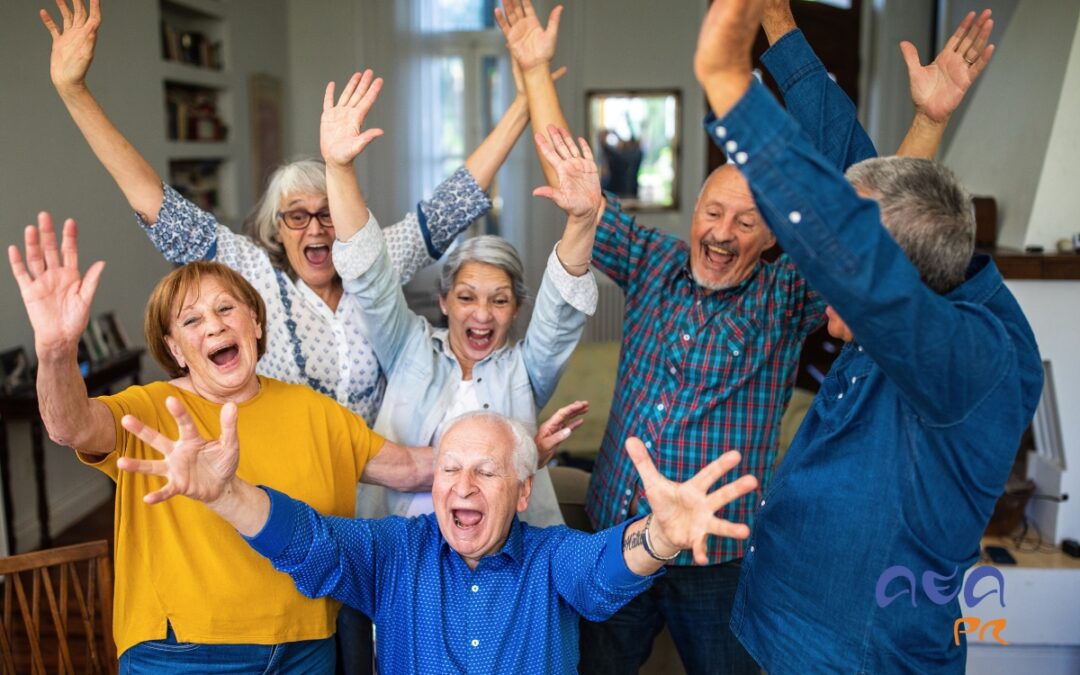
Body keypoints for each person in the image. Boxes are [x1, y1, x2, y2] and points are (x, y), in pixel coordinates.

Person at [494, 0, 996, 671]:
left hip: (719, 556)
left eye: (747, 221)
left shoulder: (786, 294)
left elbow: (872, 232)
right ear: (694, 213)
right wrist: (533, 68)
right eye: (714, 211)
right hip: (622, 533)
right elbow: (574, 182)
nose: (723, 232)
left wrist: (929, 120)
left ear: (772, 238)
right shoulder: (652, 260)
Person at [692, 1, 1042, 672]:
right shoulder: (930, 263)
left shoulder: (979, 361)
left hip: (851, 657)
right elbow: (853, 180)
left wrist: (731, 87)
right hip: (773, 623)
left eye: (841, 275)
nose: (824, 291)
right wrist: (778, 24)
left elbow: (859, 253)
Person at [40, 0, 544, 424]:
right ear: (276, 230)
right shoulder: (248, 271)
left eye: (328, 213)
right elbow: (152, 199)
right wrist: (73, 90)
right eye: (296, 216)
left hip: (377, 480)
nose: (316, 228)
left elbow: (453, 201)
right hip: (288, 485)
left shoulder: (376, 257)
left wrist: (527, 99)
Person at [5, 213, 441, 672]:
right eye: (191, 320)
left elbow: (411, 469)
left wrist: (497, 449)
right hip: (184, 650)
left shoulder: (314, 409)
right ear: (175, 349)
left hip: (307, 643)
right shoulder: (150, 407)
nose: (213, 326)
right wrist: (56, 352)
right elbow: (69, 426)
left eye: (226, 309)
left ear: (255, 322)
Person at [113, 404, 760, 674]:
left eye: (485, 471)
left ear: (522, 490)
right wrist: (225, 494)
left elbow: (602, 571)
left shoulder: (550, 555)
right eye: (449, 469)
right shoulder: (396, 551)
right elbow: (309, 542)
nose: (463, 486)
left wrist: (659, 535)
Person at [329, 116, 602, 527]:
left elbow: (560, 313)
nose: (482, 314)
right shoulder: (408, 346)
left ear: (516, 309)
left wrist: (581, 221)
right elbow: (370, 278)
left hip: (501, 550)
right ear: (444, 301)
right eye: (466, 297)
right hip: (403, 543)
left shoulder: (525, 371)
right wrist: (339, 168)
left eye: (500, 300)